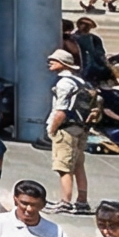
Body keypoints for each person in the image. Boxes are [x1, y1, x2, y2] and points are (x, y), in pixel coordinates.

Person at [47, 49, 94, 214]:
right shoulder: (81, 81)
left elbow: (61, 110)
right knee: (78, 165)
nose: (50, 62)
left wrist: (52, 129)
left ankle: (65, 202)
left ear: (63, 64)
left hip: (66, 129)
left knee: (64, 166)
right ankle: (82, 201)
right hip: (81, 127)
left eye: (54, 60)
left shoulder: (63, 83)